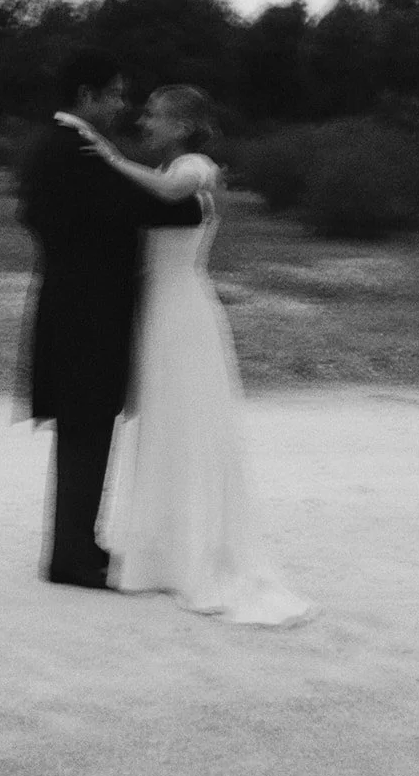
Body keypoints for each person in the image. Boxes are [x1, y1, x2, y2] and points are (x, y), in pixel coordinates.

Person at [57, 85, 310, 627]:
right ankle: (167, 547)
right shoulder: (166, 163)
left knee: (188, 423)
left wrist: (108, 157)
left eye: (153, 113)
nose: (143, 119)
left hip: (182, 314)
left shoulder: (194, 165)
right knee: (166, 426)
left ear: (182, 123)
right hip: (157, 313)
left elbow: (174, 191)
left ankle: (195, 552)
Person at [17, 51, 205, 590]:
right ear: (86, 95)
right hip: (88, 313)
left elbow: (35, 215)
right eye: (116, 93)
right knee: (87, 427)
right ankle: (71, 557)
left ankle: (78, 544)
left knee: (85, 427)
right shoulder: (75, 150)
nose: (123, 104)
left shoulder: (56, 147)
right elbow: (162, 210)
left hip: (72, 305)